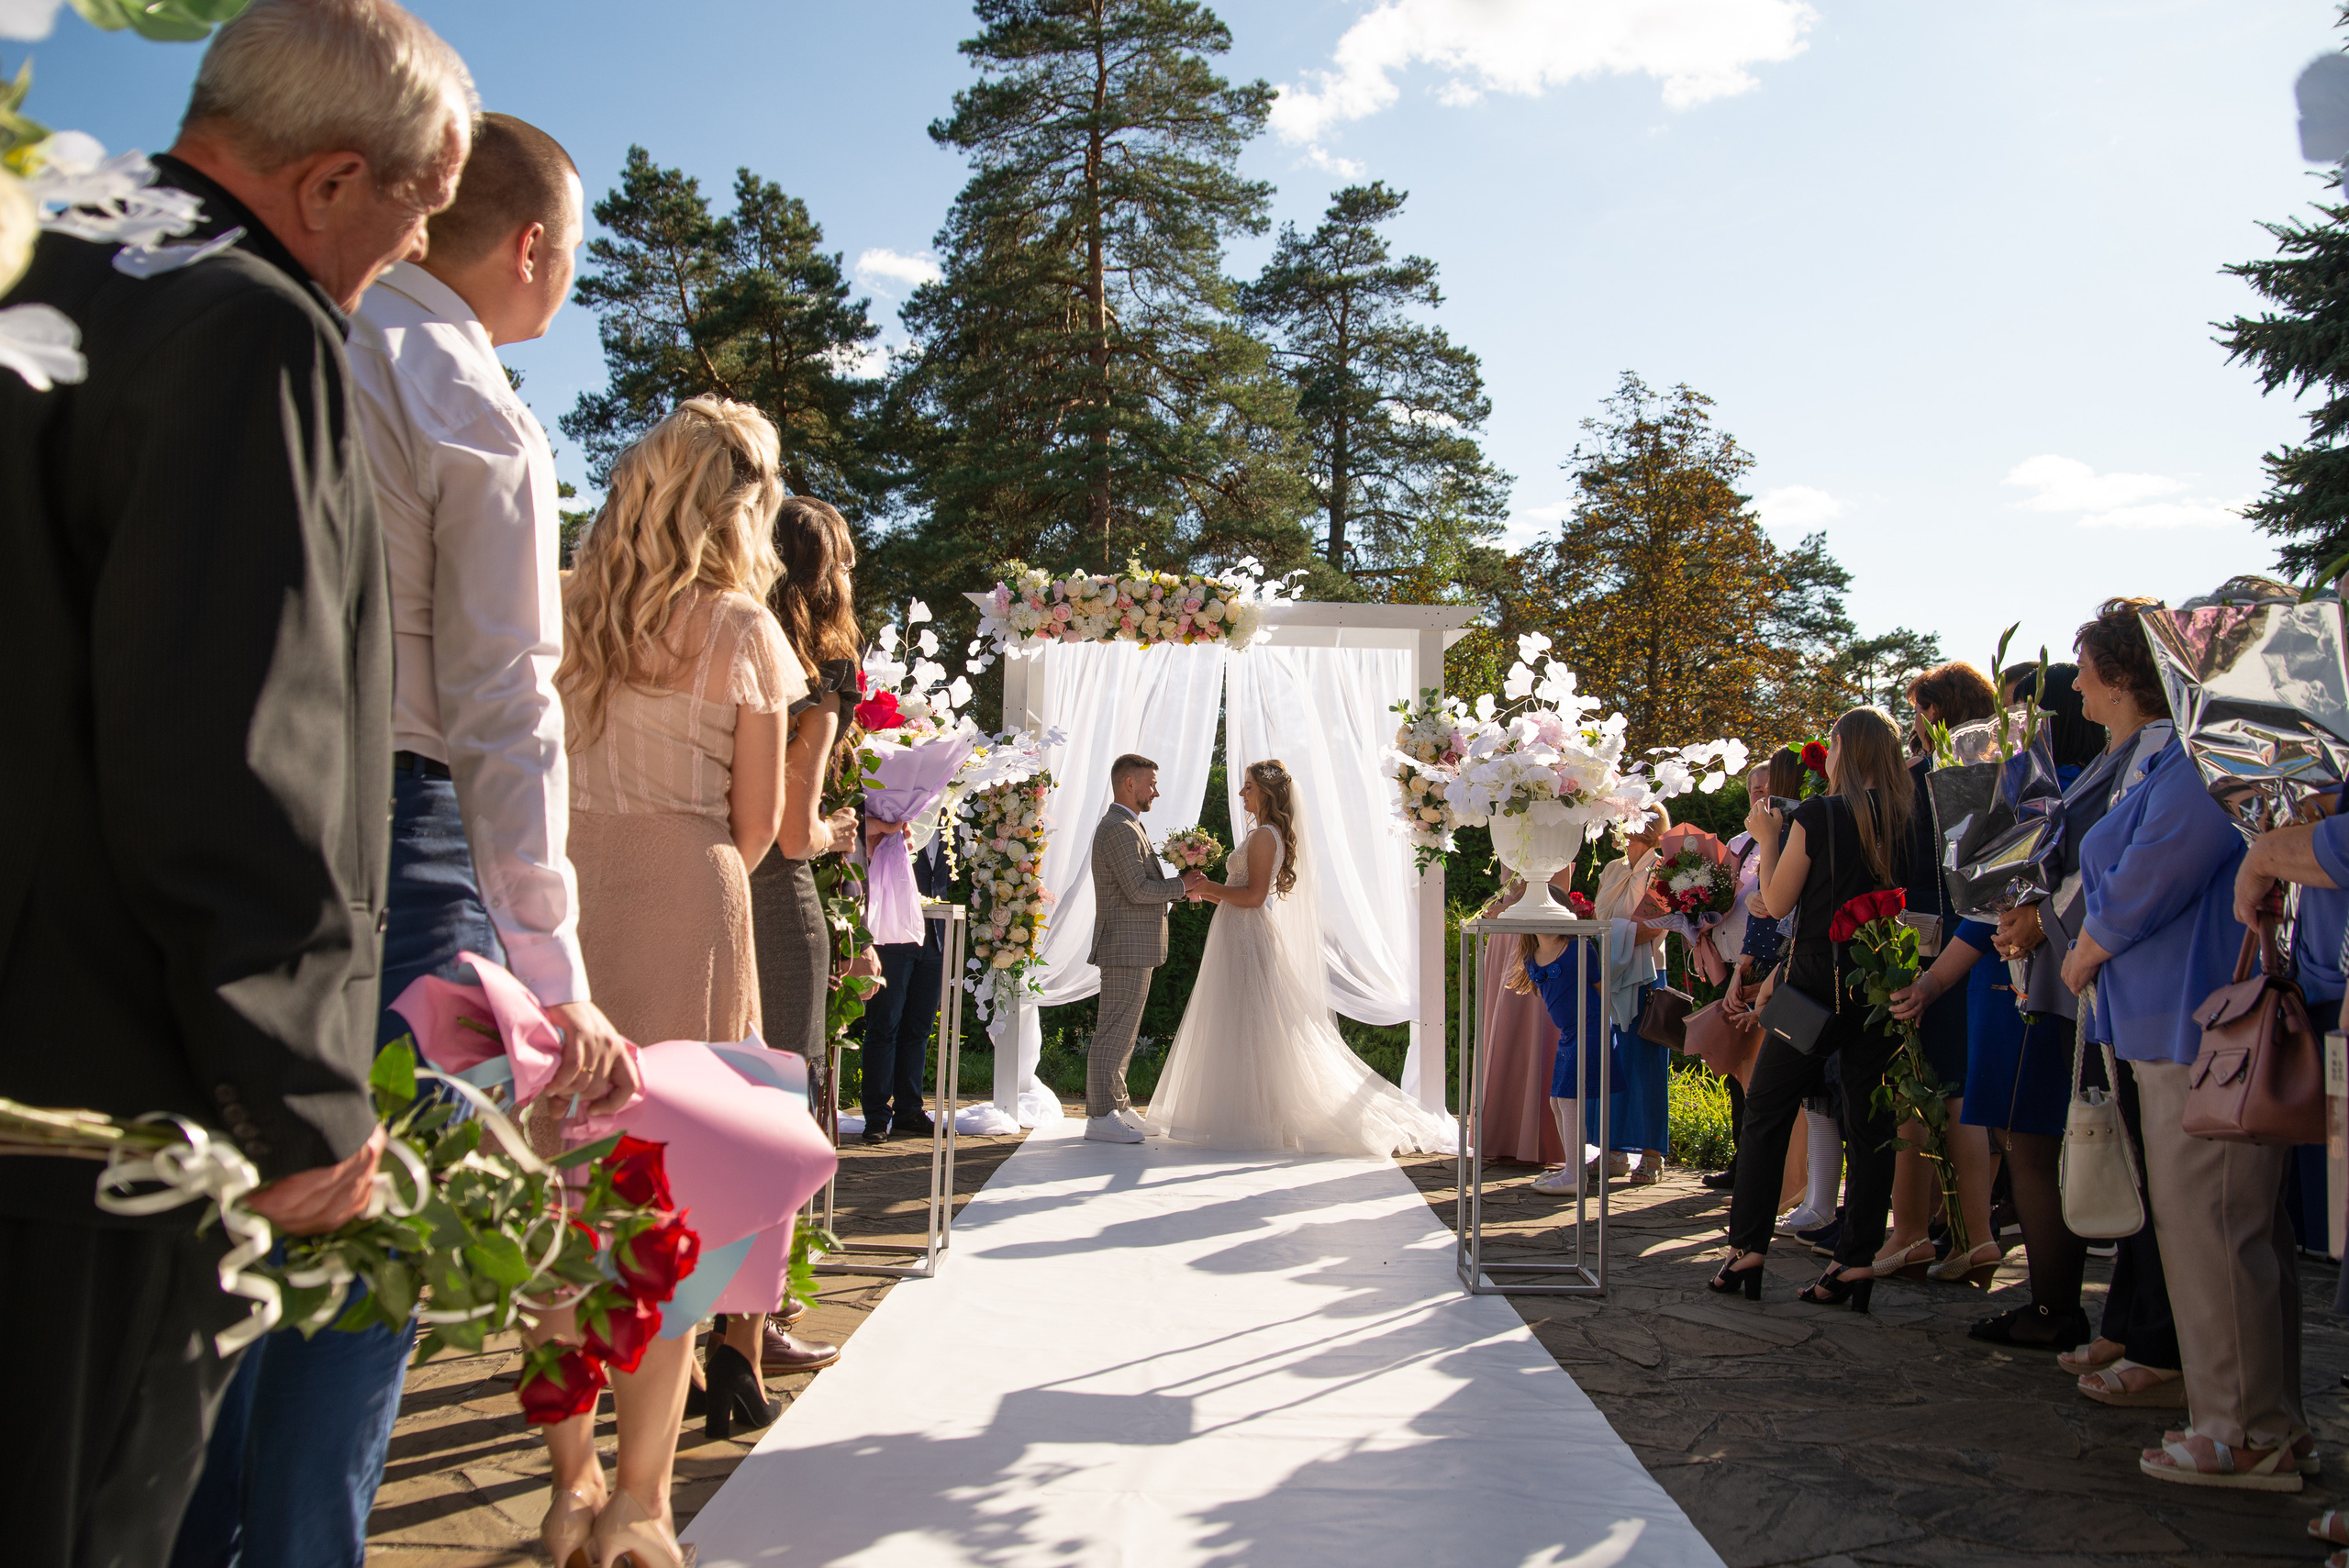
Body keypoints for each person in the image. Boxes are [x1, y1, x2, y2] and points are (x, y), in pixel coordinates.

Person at [0, 2, 468, 1562]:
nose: (413, 251)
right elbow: (231, 730)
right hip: (104, 1089)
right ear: (331, 182)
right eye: (417, 206)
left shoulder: (48, 258)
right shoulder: (248, 322)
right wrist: (296, 1091)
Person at [178, 109, 648, 1568]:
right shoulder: (474, 402)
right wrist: (552, 968)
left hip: (218, 833)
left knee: (223, 1258)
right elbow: (505, 707)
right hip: (406, 848)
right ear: (528, 249)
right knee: (366, 1263)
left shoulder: (275, 343)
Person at [551, 395, 806, 1562]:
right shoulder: (742, 627)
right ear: (740, 500)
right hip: (688, 896)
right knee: (672, 1195)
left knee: (562, 1187)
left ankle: (570, 1481)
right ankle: (643, 1502)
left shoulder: (558, 601)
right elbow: (757, 824)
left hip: (556, 895)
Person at [2054, 600, 2301, 1490]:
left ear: (2126, 671)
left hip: (2195, 1023)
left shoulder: (2194, 762)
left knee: (2214, 1226)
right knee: (2219, 1228)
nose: (2074, 682)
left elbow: (2155, 868)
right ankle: (2254, 1417)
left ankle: (2241, 1427)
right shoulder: (2155, 759)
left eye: (2086, 665)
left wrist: (2085, 946)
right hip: (2164, 1020)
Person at [1710, 707, 1913, 1310]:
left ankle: (1747, 1249)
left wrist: (1769, 837)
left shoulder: (1822, 814)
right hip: (1881, 979)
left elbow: (1772, 903)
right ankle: (1855, 1261)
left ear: (1847, 748)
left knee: (1767, 1109)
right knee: (1870, 1124)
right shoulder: (1907, 815)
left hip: (1811, 985)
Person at [1147, 761, 1454, 1155]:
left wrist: (1211, 887)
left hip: (1246, 933)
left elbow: (1255, 898)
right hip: (1236, 931)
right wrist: (1203, 891)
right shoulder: (1263, 833)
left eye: (1248, 787)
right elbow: (1241, 892)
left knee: (1252, 1022)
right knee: (1241, 1021)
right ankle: (1248, 1111)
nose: (1242, 794)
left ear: (1266, 793)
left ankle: (1259, 1116)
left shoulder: (1263, 837)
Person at [740, 495, 863, 1379]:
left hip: (699, 889)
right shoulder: (824, 672)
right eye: (847, 561)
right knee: (774, 1112)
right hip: (777, 903)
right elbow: (791, 830)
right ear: (824, 576)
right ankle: (757, 1322)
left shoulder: (724, 641)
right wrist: (837, 831)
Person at [1874, 662, 2001, 1281]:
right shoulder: (1995, 772)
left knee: (1916, 1093)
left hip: (1928, 950)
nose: (1915, 724)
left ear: (1938, 711)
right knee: (1959, 1095)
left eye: (1921, 709)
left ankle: (1910, 1230)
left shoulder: (1925, 777)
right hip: (1978, 948)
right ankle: (1974, 1234)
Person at [1724, 750, 1842, 1239]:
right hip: (1791, 966)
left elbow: (1779, 908)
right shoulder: (1773, 833)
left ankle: (1754, 1235)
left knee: (1779, 1102)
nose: (1759, 797)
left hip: (1801, 970)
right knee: (1813, 1098)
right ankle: (1814, 1202)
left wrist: (1768, 979)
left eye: (1767, 787)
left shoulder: (1803, 823)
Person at [1085, 754, 1207, 1142]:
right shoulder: (1119, 828)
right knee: (1113, 1032)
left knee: (1124, 1032)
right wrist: (1182, 886)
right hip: (1124, 944)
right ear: (1129, 784)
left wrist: (1179, 885)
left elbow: (1136, 886)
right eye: (1151, 783)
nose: (1156, 790)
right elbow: (1138, 890)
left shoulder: (1129, 825)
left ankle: (1117, 1105)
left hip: (1134, 945)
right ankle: (1100, 1116)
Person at [1475, 867, 1578, 1177]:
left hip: (1534, 932)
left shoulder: (1556, 829)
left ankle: (1541, 1142)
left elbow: (1555, 896)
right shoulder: (1506, 829)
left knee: (1537, 1030)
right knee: (1504, 1031)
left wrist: (1506, 911)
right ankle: (1503, 1134)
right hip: (1508, 939)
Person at [1589, 810, 1675, 1184]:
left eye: (1625, 820)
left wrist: (1613, 939)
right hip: (1611, 974)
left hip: (1647, 974)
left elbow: (1654, 925)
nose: (1617, 828)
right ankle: (1613, 1152)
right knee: (1612, 1064)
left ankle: (1652, 1156)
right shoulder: (1611, 868)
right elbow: (1596, 918)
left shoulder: (1666, 869)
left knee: (1647, 1066)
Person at [859, 814, 949, 1142]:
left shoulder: (946, 815)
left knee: (920, 1028)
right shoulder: (895, 809)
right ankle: (876, 1115)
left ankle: (909, 1109)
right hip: (893, 933)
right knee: (884, 1025)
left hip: (935, 935)